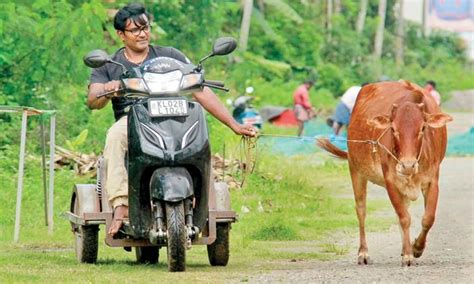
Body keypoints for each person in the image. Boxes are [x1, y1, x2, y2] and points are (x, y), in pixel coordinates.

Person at [87, 3, 257, 236]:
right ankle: (121, 205)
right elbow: (93, 98)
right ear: (120, 35)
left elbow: (200, 90)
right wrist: (107, 89)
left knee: (201, 139)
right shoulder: (111, 64)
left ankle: (201, 198)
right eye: (134, 30)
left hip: (177, 118)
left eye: (145, 27)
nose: (142, 33)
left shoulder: (170, 56)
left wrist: (234, 125)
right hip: (135, 121)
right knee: (115, 136)